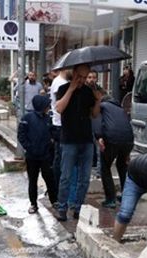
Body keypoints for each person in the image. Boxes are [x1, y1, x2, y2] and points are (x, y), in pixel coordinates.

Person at [54, 64, 102, 222]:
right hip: (69, 140)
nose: (82, 80)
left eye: (85, 76)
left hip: (86, 140)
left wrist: (97, 101)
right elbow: (59, 108)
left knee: (84, 178)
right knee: (66, 177)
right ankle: (62, 207)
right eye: (79, 76)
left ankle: (78, 207)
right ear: (73, 74)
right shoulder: (63, 89)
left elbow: (94, 115)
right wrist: (71, 89)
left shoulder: (89, 92)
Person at [17, 95, 57, 214]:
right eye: (46, 105)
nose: (48, 107)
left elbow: (54, 132)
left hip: (46, 156)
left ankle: (54, 201)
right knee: (33, 180)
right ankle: (33, 204)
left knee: (50, 179)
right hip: (32, 156)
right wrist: (29, 147)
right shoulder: (27, 118)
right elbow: (21, 135)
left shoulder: (49, 118)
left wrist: (51, 143)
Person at [94, 95, 134, 209]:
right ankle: (127, 196)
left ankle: (110, 199)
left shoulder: (102, 106)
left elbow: (97, 121)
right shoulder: (121, 110)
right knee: (122, 166)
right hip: (128, 140)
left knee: (105, 167)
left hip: (111, 139)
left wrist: (99, 137)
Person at [49, 67, 69, 197]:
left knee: (59, 158)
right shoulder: (61, 83)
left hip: (60, 124)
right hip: (60, 125)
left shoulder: (59, 81)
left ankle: (57, 189)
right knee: (60, 159)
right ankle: (57, 190)